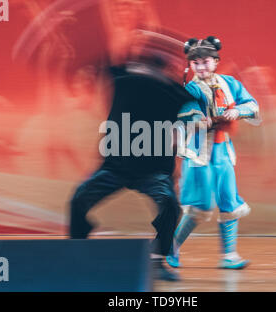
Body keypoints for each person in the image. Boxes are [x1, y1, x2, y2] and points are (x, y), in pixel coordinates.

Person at [69, 31, 194, 281]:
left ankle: (158, 261)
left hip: (153, 172)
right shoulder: (123, 75)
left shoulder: (176, 92)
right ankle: (77, 254)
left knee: (170, 205)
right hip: (115, 168)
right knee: (79, 199)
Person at [166, 36, 261, 269]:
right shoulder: (189, 89)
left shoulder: (230, 84)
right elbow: (182, 114)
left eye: (206, 61)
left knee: (229, 200)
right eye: (196, 63)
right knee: (200, 205)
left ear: (216, 61)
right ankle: (172, 247)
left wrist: (236, 111)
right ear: (190, 65)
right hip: (198, 153)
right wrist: (199, 119)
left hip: (223, 151)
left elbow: (253, 106)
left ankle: (229, 255)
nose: (201, 66)